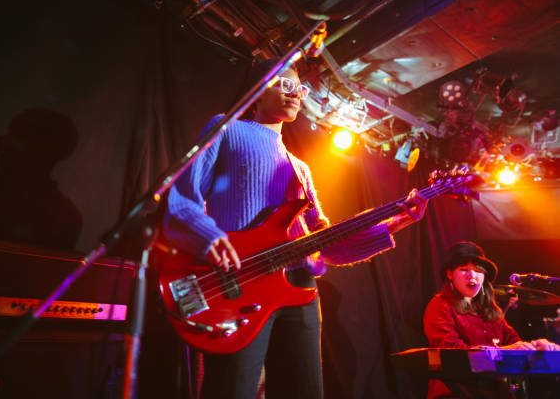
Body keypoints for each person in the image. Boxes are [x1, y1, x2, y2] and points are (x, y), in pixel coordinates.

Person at [163, 58, 428, 399]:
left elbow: (327, 245)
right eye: (284, 85)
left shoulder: (300, 169)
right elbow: (183, 194)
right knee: (231, 388)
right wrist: (208, 235)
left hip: (298, 287)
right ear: (256, 94)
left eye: (300, 88)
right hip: (240, 283)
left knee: (302, 390)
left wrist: (399, 220)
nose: (296, 94)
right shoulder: (228, 128)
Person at [423, 241, 560, 399]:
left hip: (493, 391)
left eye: (478, 271)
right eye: (464, 270)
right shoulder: (440, 305)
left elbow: (515, 342)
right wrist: (507, 350)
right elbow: (452, 355)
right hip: (454, 392)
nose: (472, 275)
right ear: (449, 274)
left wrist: (537, 346)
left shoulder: (490, 310)